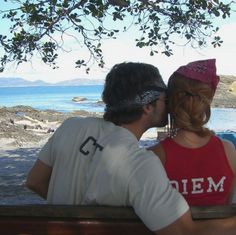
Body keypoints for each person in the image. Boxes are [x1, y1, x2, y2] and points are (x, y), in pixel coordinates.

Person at [26, 62, 236, 235]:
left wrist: (73, 211)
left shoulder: (70, 127)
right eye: (165, 98)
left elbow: (35, 181)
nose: (170, 104)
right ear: (147, 106)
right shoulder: (140, 163)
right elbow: (184, 232)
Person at [149, 59, 236, 206]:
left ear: (170, 102)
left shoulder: (155, 156)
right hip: (221, 229)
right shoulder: (228, 150)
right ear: (206, 101)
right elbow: (228, 202)